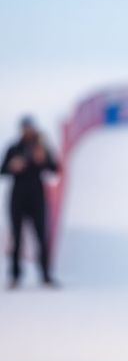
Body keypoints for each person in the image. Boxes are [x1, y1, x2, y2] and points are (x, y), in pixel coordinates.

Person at [2, 116, 60, 287]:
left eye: (30, 128)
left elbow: (54, 169)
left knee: (41, 237)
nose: (28, 131)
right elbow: (2, 169)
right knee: (16, 238)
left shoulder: (41, 147)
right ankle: (15, 276)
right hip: (17, 198)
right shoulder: (13, 148)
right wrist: (13, 166)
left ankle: (46, 275)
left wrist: (43, 160)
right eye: (25, 128)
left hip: (37, 198)